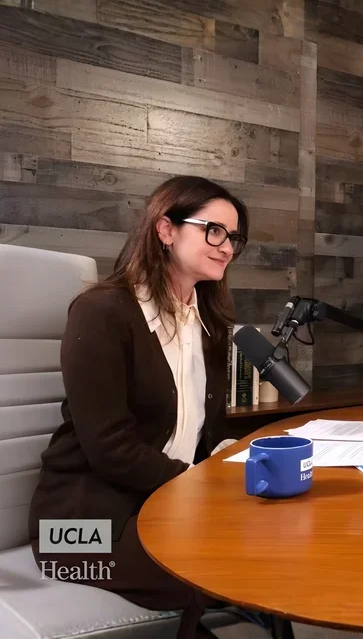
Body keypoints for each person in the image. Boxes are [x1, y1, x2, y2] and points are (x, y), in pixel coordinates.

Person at [28, 176, 248, 639]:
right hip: (74, 530)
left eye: (233, 237)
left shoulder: (210, 324)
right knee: (211, 569)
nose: (226, 246)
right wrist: (197, 487)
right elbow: (109, 446)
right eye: (214, 230)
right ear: (165, 230)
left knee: (266, 544)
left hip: (167, 504)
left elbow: (207, 434)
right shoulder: (102, 311)